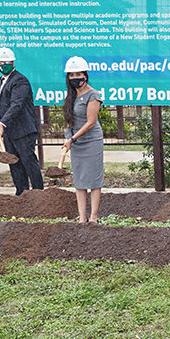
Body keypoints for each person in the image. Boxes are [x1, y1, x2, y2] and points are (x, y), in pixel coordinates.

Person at [0, 47, 44, 196]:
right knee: (14, 163)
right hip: (10, 132)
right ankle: (21, 193)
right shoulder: (2, 80)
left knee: (28, 161)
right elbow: (4, 97)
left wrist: (2, 123)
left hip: (23, 130)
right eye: (0, 62)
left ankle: (38, 193)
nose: (3, 65)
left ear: (13, 62)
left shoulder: (20, 80)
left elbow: (17, 104)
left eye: (7, 62)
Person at [61, 56, 104, 224]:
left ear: (85, 75)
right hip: (76, 142)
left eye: (78, 74)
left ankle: (93, 217)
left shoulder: (93, 95)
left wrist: (73, 138)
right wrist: (68, 137)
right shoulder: (71, 95)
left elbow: (90, 122)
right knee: (79, 180)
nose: (74, 78)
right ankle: (82, 218)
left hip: (91, 141)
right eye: (71, 75)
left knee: (93, 179)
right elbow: (70, 120)